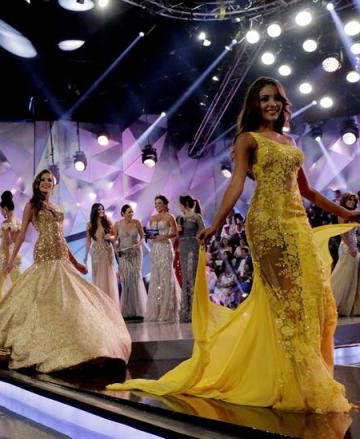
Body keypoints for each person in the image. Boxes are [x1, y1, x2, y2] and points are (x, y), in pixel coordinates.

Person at [108, 77, 360, 413]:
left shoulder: (288, 140)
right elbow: (237, 184)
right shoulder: (247, 139)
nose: (271, 104)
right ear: (256, 104)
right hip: (266, 226)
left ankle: (298, 373)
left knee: (312, 298)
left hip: (297, 224)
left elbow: (309, 192)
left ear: (284, 104)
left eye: (277, 99)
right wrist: (214, 224)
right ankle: (294, 380)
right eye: (265, 98)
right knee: (284, 302)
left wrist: (345, 211)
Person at [0, 169, 131, 372]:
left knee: (69, 299)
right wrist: (11, 260)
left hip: (61, 256)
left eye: (50, 180)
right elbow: (21, 234)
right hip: (44, 255)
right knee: (41, 298)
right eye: (43, 180)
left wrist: (76, 264)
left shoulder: (56, 207)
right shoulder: (32, 206)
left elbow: (61, 238)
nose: (47, 183)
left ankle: (73, 344)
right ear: (37, 183)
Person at [145, 195, 181, 322]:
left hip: (166, 249)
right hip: (155, 250)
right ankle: (157, 310)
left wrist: (165, 236)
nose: (157, 205)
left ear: (165, 204)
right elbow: (152, 234)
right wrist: (149, 235)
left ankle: (168, 310)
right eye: (156, 203)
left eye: (159, 203)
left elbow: (176, 233)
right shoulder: (152, 218)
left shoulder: (170, 217)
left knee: (166, 277)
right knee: (156, 278)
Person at [113, 205, 148, 320]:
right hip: (124, 254)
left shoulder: (137, 222)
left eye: (132, 212)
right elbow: (116, 239)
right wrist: (116, 249)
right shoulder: (117, 224)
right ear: (123, 213)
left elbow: (143, 237)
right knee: (126, 280)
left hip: (136, 253)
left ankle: (139, 310)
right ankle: (127, 311)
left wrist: (137, 245)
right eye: (128, 212)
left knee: (135, 278)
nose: (131, 214)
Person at [176, 195, 205, 323]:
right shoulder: (179, 218)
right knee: (185, 278)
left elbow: (202, 232)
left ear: (185, 204)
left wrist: (197, 240)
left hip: (193, 247)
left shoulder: (196, 217)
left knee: (192, 277)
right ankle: (186, 311)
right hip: (183, 248)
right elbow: (177, 234)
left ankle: (196, 310)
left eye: (180, 204)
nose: (179, 206)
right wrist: (178, 229)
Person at [84, 203, 119, 305]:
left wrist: (110, 237)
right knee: (98, 275)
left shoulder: (108, 223)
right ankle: (100, 303)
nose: (101, 211)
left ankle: (111, 303)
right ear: (94, 211)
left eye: (102, 209)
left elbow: (115, 238)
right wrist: (86, 256)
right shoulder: (90, 224)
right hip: (96, 252)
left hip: (107, 250)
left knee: (108, 275)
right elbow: (88, 241)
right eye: (99, 210)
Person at [331, 192, 360, 316]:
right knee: (344, 275)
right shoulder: (342, 213)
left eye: (353, 200)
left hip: (354, 246)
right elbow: (342, 234)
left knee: (354, 275)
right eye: (349, 200)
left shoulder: (354, 214)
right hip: (346, 247)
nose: (352, 202)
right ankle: (337, 304)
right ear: (344, 201)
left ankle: (351, 305)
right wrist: (350, 247)